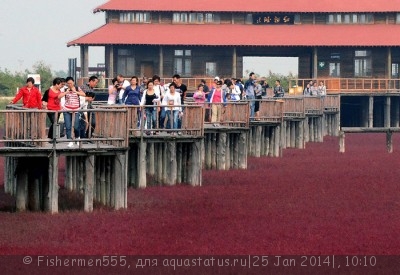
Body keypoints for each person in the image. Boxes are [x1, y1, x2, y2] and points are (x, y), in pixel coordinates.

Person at [59, 76, 86, 147]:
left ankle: (77, 137)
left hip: (76, 110)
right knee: (68, 126)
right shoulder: (64, 89)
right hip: (67, 109)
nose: (69, 85)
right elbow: (59, 96)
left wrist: (75, 91)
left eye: (70, 83)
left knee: (76, 126)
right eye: (68, 83)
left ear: (73, 82)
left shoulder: (77, 88)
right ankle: (70, 140)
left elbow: (84, 94)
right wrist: (66, 92)